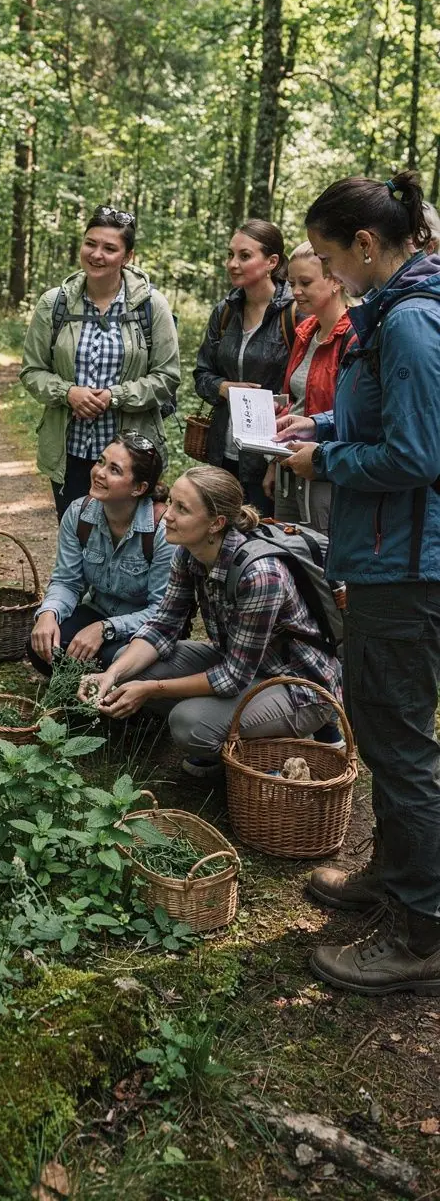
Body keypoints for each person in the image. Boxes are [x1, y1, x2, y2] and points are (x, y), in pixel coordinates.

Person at [278, 169, 440, 994]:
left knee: (400, 741)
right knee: (382, 728)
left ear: (368, 246)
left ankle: (422, 932)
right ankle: (393, 876)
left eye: (330, 259)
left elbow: (418, 455)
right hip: (385, 557)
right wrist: (326, 422)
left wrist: (326, 458)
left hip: (405, 567)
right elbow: (392, 416)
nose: (328, 277)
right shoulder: (399, 310)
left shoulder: (412, 321)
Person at [78, 465, 341, 777]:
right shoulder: (189, 552)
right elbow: (163, 626)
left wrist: (151, 688)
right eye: (171, 502)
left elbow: (232, 678)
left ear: (216, 523)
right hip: (245, 665)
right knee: (125, 661)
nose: (168, 516)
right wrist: (111, 675)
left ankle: (279, 755)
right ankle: (231, 733)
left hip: (299, 685)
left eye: (182, 509)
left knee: (189, 724)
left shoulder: (260, 575)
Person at [19, 207, 180, 520]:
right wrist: (68, 393)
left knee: (129, 546)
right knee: (75, 540)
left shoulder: (151, 306)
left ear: (128, 256)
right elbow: (32, 371)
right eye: (90, 244)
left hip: (130, 458)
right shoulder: (55, 303)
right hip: (71, 452)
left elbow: (167, 377)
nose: (96, 254)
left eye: (110, 248)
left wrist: (114, 396)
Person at [29, 433, 175, 677]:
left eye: (115, 470)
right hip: (98, 609)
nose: (99, 473)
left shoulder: (162, 531)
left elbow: (162, 612)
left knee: (112, 659)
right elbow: (67, 581)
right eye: (100, 461)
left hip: (143, 628)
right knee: (43, 645)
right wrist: (48, 614)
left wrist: (105, 628)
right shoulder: (78, 513)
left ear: (139, 488)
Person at [193, 220, 296, 513]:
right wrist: (223, 388)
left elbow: (302, 392)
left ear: (271, 262)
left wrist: (277, 461)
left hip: (267, 457)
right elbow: (202, 374)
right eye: (230, 255)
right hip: (222, 453)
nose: (233, 264)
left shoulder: (293, 315)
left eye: (244, 256)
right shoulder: (225, 312)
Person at [262, 240, 355, 532]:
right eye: (291, 282)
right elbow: (296, 401)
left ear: (335, 281)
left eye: (305, 282)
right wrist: (274, 463)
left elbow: (354, 415)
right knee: (289, 552)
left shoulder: (354, 338)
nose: (295, 292)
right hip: (291, 467)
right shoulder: (305, 333)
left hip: (325, 473)